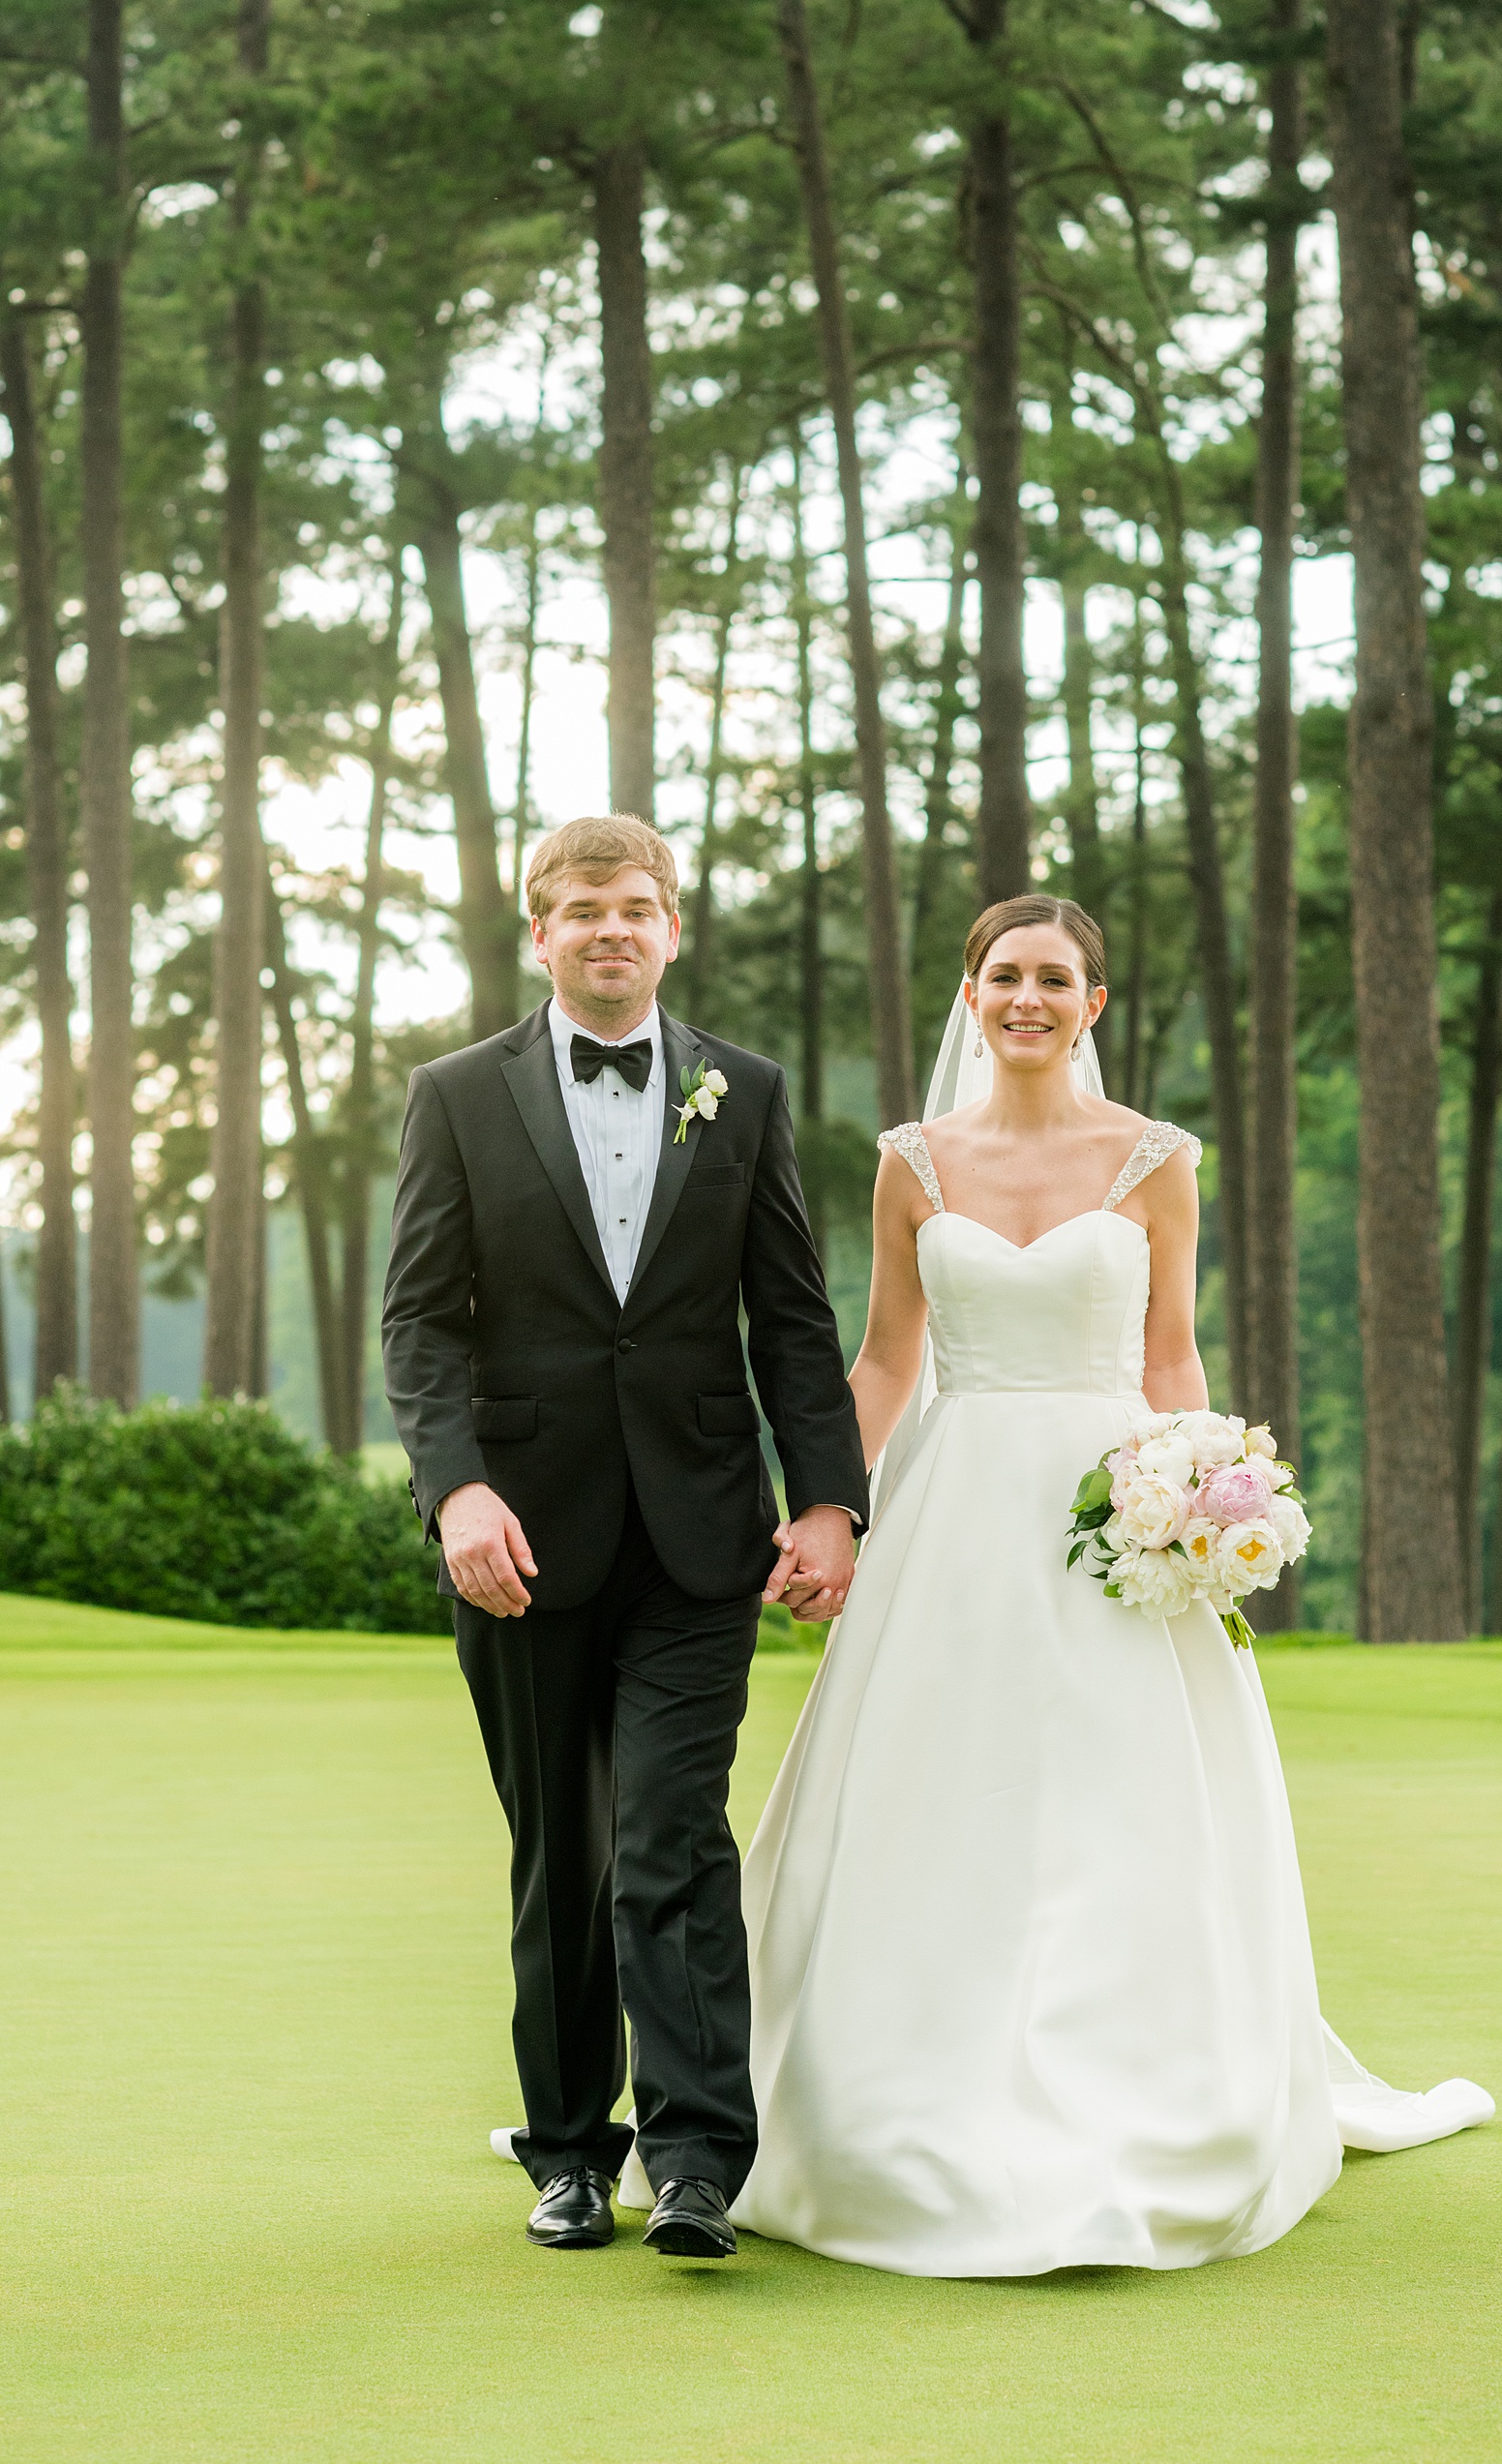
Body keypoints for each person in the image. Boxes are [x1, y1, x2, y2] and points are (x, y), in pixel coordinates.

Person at [643, 894, 1489, 2277]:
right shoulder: (913, 1161)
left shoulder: (1155, 1158)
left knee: (1119, 1795)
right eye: (1003, 975)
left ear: (1092, 1003)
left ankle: (1133, 2087)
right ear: (970, 997)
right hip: (955, 1508)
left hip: (1114, 1511)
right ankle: (876, 2077)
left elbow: (1171, 1357)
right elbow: (884, 1360)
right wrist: (823, 1508)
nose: (1026, 997)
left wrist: (1212, 1504)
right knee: (938, 1785)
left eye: (1054, 977)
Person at [381, 814, 868, 2262]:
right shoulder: (457, 1095)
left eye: (636, 907)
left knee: (668, 1832)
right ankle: (569, 2154)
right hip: (519, 1541)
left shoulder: (746, 1089)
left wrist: (830, 1499)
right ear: (540, 932)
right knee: (564, 1847)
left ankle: (700, 2155)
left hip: (701, 1534)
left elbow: (790, 1313)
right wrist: (456, 1487)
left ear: (674, 928)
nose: (611, 929)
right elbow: (418, 1319)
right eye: (582, 909)